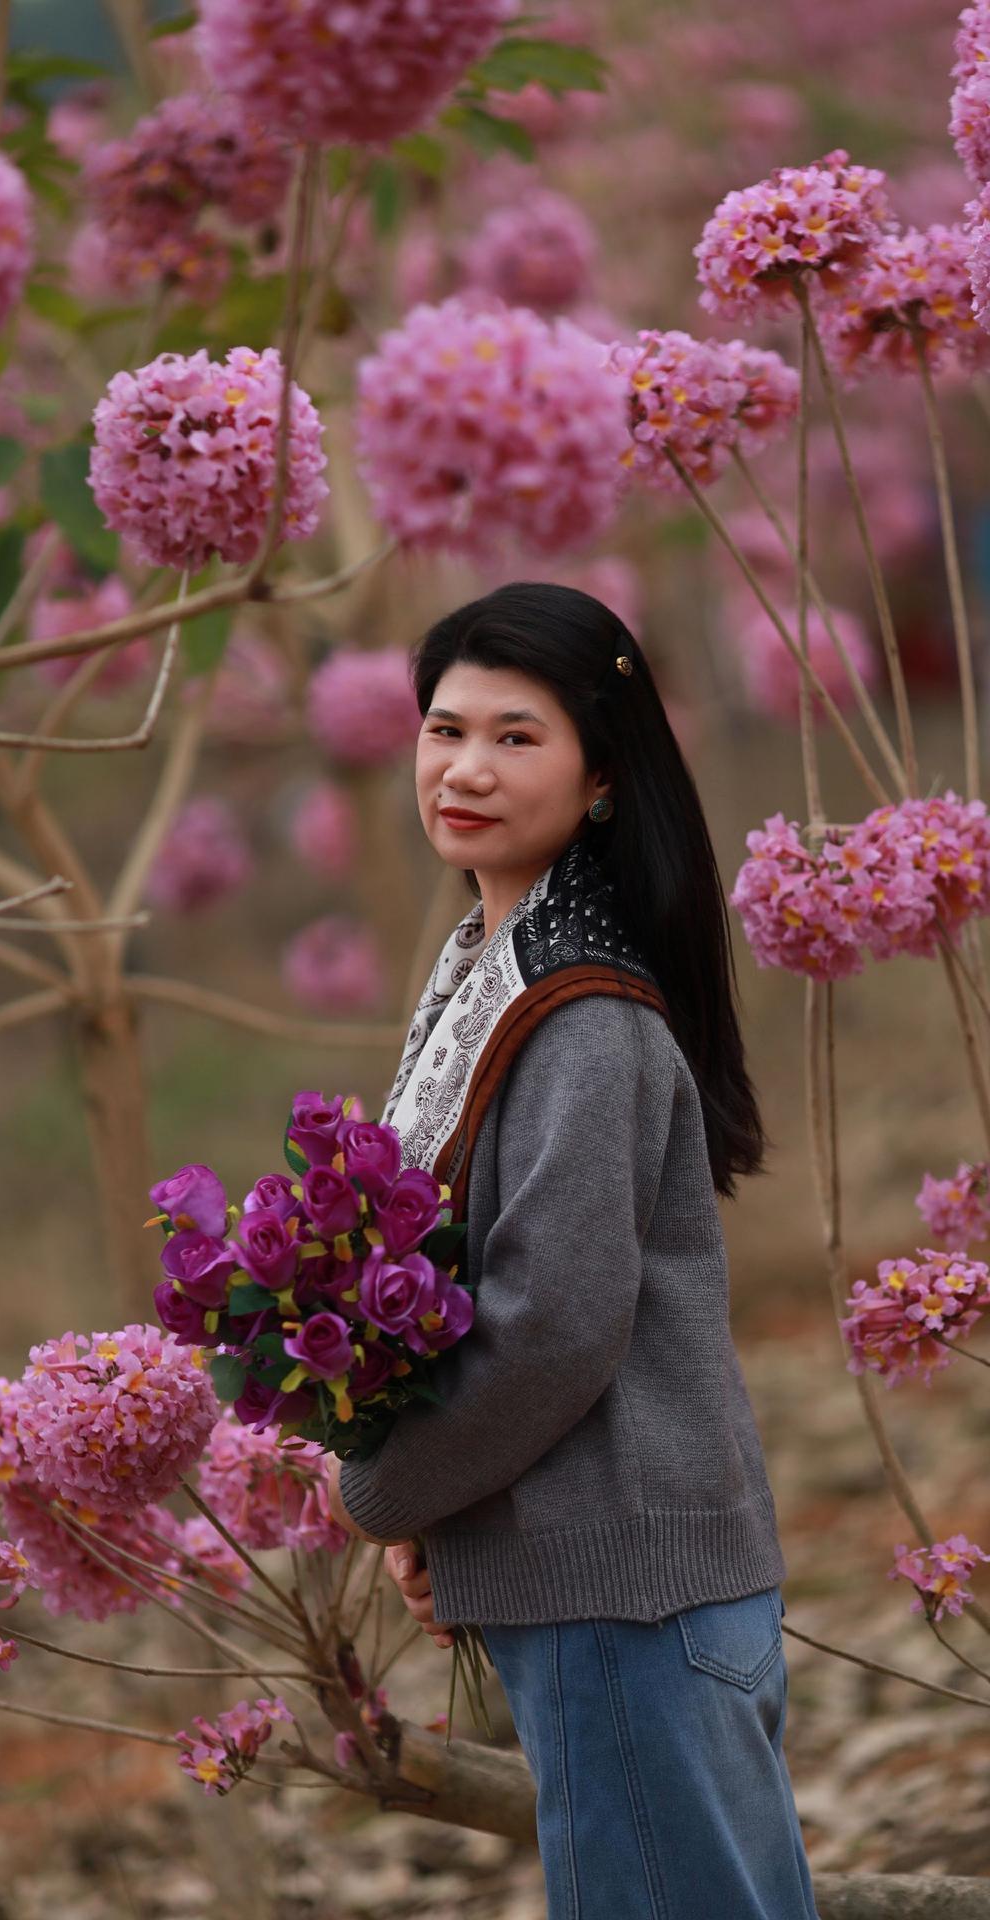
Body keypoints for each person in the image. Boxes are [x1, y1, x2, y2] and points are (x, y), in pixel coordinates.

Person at [324, 583, 819, 1920]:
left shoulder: (581, 1017)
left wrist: (387, 1492)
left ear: (603, 776)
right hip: (611, 1586)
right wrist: (439, 1499)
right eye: (444, 728)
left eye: (516, 736)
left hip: (626, 1603)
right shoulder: (488, 957)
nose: (465, 769)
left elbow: (555, 1322)